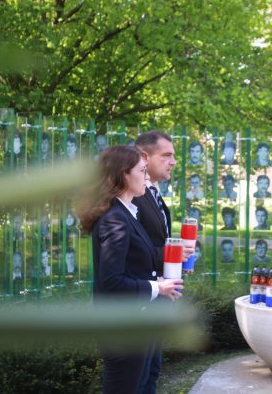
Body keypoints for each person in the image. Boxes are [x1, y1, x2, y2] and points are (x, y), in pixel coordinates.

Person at [80, 145, 183, 394]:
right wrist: (157, 287)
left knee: (142, 384)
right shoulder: (115, 219)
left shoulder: (127, 213)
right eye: (142, 171)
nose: (147, 178)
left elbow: (132, 266)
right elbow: (112, 282)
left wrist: (160, 280)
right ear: (124, 175)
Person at [131, 132, 191, 394]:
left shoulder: (153, 192)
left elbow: (153, 240)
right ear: (145, 157)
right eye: (166, 155)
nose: (173, 162)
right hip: (141, 300)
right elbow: (133, 250)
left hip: (159, 294)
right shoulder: (133, 196)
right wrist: (169, 253)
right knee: (139, 378)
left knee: (152, 372)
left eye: (174, 156)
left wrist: (177, 255)